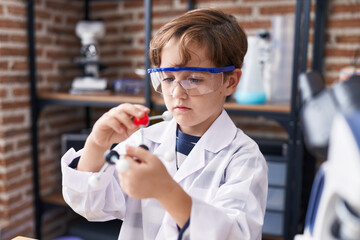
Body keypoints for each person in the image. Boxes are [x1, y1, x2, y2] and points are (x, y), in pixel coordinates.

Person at [61, 8, 268, 240]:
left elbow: (236, 235)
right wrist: (96, 144)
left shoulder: (244, 158)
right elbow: (89, 204)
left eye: (194, 79)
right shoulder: (145, 140)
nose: (177, 93)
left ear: (230, 82)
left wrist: (165, 190)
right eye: (168, 78)